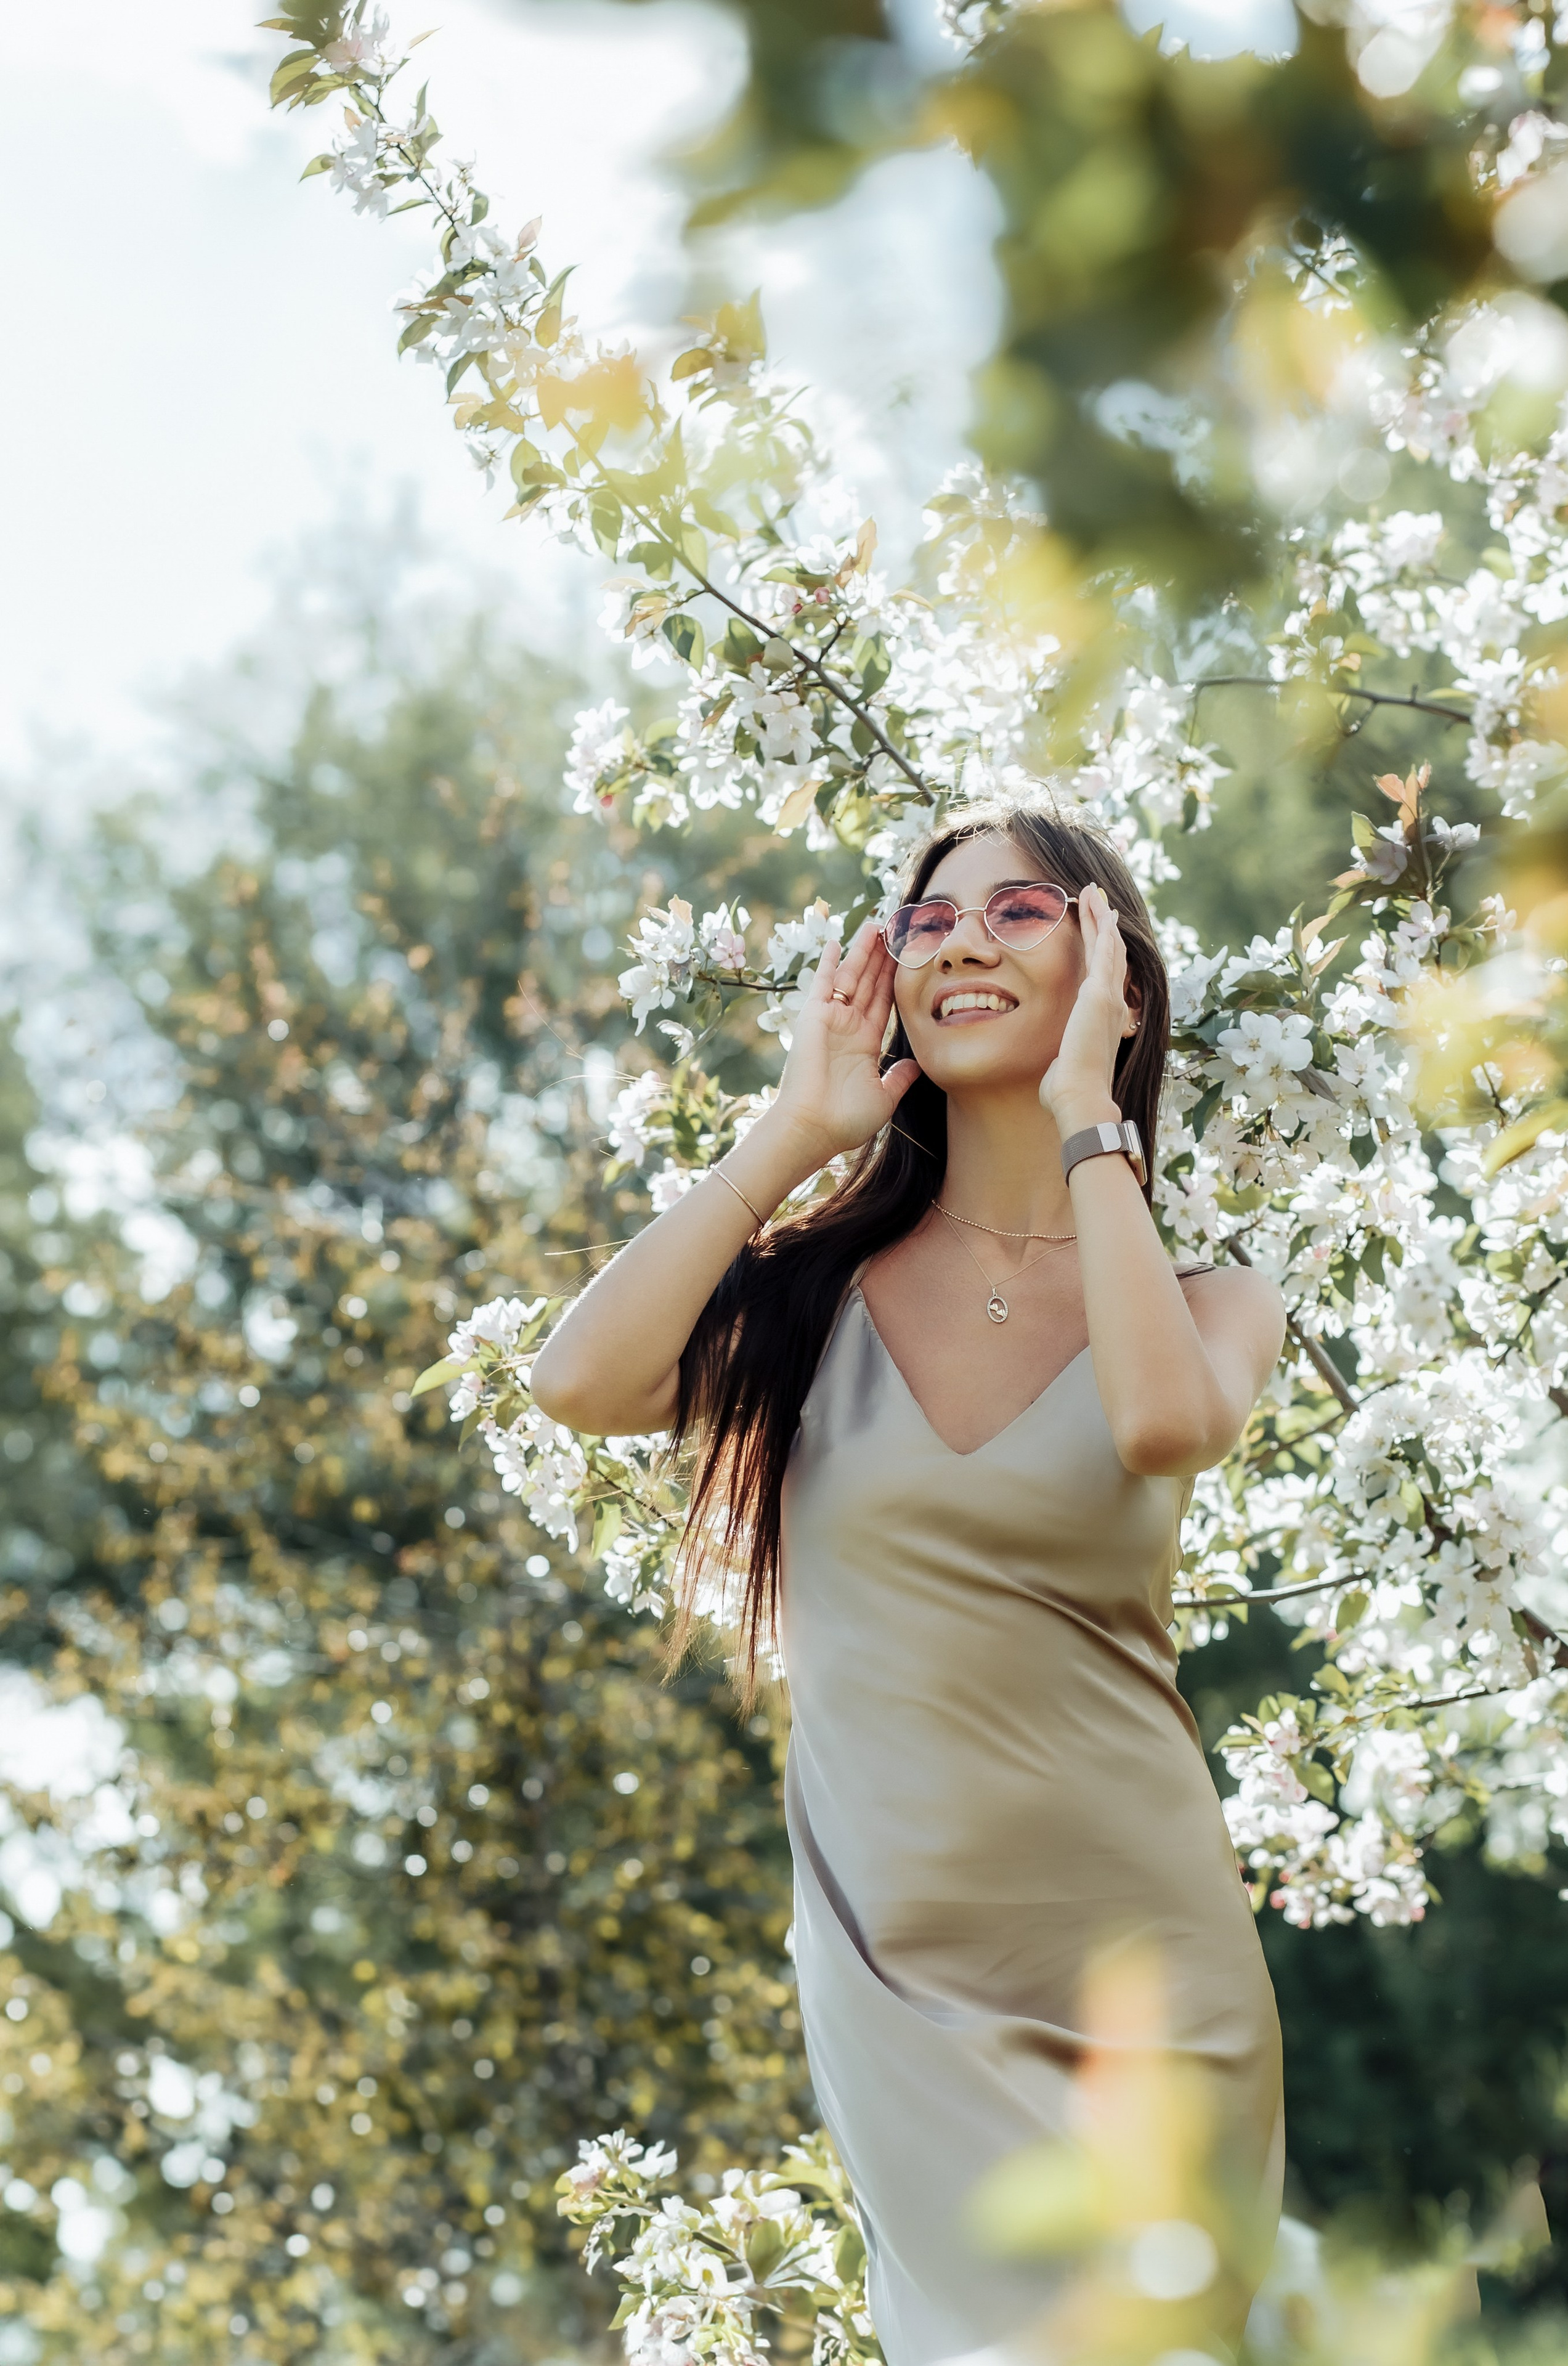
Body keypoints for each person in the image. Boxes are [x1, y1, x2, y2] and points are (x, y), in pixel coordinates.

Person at [530, 795, 1286, 2365]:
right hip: (902, 1973)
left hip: (1150, 1976)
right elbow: (581, 1382)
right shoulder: (812, 1295)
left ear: (1110, 968)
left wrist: (1092, 1122)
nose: (955, 943)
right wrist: (793, 1136)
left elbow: (1158, 1424)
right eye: (926, 920)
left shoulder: (1207, 1299)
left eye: (1017, 914)